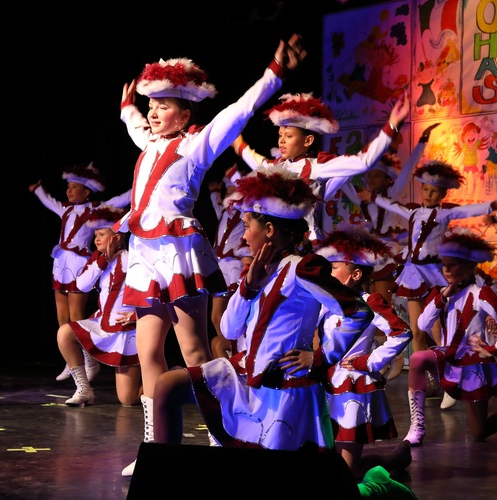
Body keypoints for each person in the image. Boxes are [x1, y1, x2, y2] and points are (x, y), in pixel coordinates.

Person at [116, 34, 308, 477]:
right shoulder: (148, 142)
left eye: (164, 106)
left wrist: (274, 73)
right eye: (152, 105)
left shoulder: (196, 145)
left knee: (193, 350)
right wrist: (127, 106)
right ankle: (157, 448)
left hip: (178, 253)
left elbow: (239, 110)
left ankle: (223, 436)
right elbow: (134, 124)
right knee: (148, 352)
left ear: (185, 114)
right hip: (143, 254)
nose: (153, 112)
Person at [151, 166, 374, 454]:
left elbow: (359, 312)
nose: (243, 237)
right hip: (246, 372)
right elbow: (229, 330)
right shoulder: (257, 272)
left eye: (247, 226)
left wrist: (321, 357)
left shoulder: (303, 268)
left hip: (284, 385)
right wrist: (248, 287)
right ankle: (162, 474)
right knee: (167, 385)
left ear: (269, 230)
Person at [371, 159, 497, 406]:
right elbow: (391, 204)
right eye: (425, 189)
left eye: (434, 191)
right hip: (413, 274)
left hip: (433, 274)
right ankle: (426, 380)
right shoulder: (413, 212)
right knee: (416, 330)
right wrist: (372, 197)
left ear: (443, 194)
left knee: (440, 331)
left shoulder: (445, 213)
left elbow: (466, 211)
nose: (428, 194)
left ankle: (449, 379)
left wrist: (490, 205)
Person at [231, 92, 410, 245]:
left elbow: (363, 161)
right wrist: (234, 138)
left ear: (308, 140)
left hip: (306, 245)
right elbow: (253, 158)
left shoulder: (318, 166)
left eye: (289, 136)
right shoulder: (276, 166)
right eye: (280, 135)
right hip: (280, 243)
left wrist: (392, 125)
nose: (282, 141)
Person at [403, 228, 497, 446]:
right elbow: (422, 325)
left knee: (479, 433)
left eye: (453, 265)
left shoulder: (481, 294)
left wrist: (492, 349)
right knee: (418, 358)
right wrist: (442, 297)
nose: (446, 270)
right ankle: (417, 426)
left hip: (470, 364)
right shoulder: (440, 293)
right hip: (447, 356)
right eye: (444, 264)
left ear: (469, 266)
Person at [314, 226, 413, 479]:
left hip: (352, 385)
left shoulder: (370, 302)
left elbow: (402, 332)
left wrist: (369, 361)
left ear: (356, 274)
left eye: (334, 268)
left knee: (347, 471)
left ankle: (392, 461)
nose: (329, 272)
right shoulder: (326, 302)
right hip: (325, 382)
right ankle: (393, 460)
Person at [352, 122, 441, 380]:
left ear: (388, 179)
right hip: (370, 258)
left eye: (377, 176)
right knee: (372, 308)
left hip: (390, 258)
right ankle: (387, 356)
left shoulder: (392, 193)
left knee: (389, 308)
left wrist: (421, 143)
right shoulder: (364, 199)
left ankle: (403, 358)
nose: (371, 180)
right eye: (369, 176)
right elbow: (345, 181)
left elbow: (408, 170)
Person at [29, 162, 131, 382]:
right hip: (61, 262)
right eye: (68, 187)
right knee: (62, 316)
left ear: (86, 191)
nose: (69, 191)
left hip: (79, 262)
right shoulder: (65, 209)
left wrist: (140, 188)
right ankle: (70, 359)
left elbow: (120, 200)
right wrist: (38, 190)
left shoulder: (95, 208)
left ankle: (89, 359)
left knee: (76, 316)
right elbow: (50, 202)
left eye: (74, 187)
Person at [57, 205, 142, 407]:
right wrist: (103, 261)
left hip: (125, 332)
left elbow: (150, 292)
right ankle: (84, 389)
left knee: (128, 399)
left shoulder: (132, 260)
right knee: (64, 333)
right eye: (95, 234)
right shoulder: (97, 260)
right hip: (102, 323)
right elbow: (81, 285)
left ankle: (171, 378)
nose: (96, 239)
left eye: (101, 234)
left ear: (117, 237)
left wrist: (136, 315)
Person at [207, 164, 252, 359]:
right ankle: (229, 351)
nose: (228, 191)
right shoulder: (226, 211)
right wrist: (214, 193)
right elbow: (217, 207)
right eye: (227, 190)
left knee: (234, 312)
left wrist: (234, 176)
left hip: (234, 265)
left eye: (232, 188)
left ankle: (239, 348)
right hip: (220, 266)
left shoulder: (244, 210)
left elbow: (246, 192)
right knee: (215, 316)